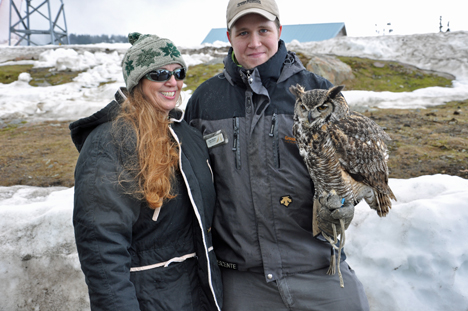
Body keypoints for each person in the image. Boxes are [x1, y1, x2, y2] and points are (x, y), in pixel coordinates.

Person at [184, 0, 370, 310]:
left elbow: (357, 173)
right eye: (243, 32)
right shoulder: (205, 101)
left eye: (263, 30)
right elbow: (189, 182)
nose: (254, 42)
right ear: (229, 37)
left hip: (318, 270)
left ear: (279, 31)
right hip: (242, 280)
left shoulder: (318, 93)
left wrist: (341, 197)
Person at [70, 33, 223, 311]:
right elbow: (101, 245)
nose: (172, 81)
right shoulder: (111, 141)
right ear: (137, 81)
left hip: (197, 293)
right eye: (159, 73)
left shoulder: (184, 134)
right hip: (148, 298)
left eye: (178, 72)